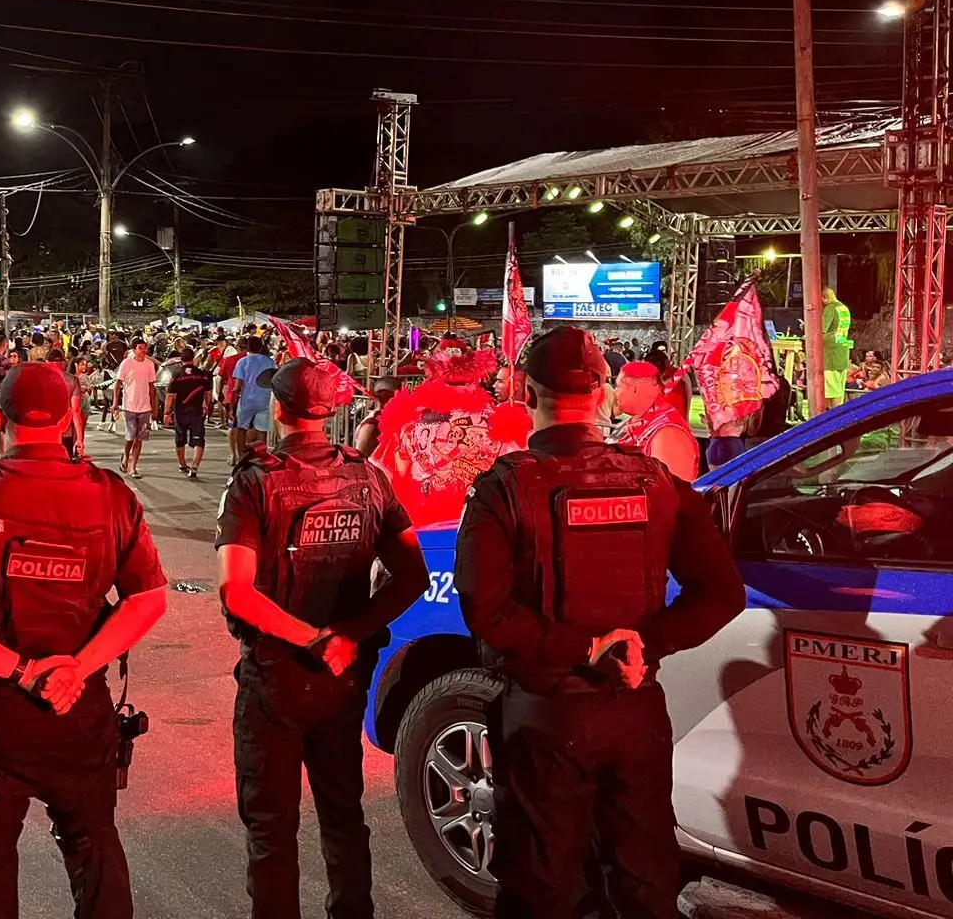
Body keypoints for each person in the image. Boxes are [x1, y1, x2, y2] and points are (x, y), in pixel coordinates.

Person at [454, 327, 744, 919]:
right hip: (635, 711)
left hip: (546, 717)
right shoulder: (655, 480)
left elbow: (487, 612)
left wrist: (588, 647)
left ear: (527, 391)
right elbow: (721, 594)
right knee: (644, 883)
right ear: (604, 391)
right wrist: (645, 643)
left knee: (542, 888)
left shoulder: (505, 488)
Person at [0, 361, 169, 918]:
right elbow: (148, 599)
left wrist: (24, 672)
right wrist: (77, 668)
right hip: (80, 709)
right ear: (69, 416)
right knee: (94, 851)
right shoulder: (111, 495)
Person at [215, 357, 428, 919]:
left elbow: (236, 592)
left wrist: (310, 638)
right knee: (342, 814)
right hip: (343, 674)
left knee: (271, 830)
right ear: (329, 411)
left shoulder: (255, 480)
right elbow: (412, 575)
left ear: (279, 410)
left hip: (277, 678)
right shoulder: (367, 476)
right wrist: (347, 636)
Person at [613, 360, 700, 481]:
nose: (615, 392)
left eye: (618, 387)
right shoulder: (637, 422)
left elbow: (671, 493)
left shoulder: (668, 433)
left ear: (634, 389)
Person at [111, 338, 158, 479]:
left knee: (140, 438)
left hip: (145, 406)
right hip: (129, 405)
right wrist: (115, 403)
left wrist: (154, 407)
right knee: (131, 436)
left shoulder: (149, 365)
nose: (143, 350)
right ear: (133, 349)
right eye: (140, 348)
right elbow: (118, 384)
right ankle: (126, 455)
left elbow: (151, 387)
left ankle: (133, 467)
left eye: (145, 348)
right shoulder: (127, 363)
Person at [162, 348, 212, 480]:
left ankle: (182, 464)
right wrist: (207, 406)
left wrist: (167, 413)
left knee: (180, 439)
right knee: (199, 440)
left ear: (181, 360)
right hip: (197, 412)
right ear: (193, 358)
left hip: (181, 412)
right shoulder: (202, 374)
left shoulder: (177, 376)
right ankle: (195, 466)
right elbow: (208, 394)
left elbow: (170, 396)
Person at [230, 336, 275, 456]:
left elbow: (236, 387)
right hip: (265, 401)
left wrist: (232, 406)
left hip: (246, 401)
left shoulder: (243, 362)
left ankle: (241, 457)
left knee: (241, 430)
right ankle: (260, 457)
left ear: (248, 347)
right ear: (261, 347)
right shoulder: (270, 362)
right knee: (262, 432)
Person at [820, 286, 853, 412]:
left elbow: (820, 330)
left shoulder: (830, 309)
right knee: (839, 390)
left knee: (830, 391)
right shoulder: (844, 308)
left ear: (824, 298)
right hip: (842, 352)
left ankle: (830, 419)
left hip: (830, 355)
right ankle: (838, 417)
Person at [353, 375, 399, 458]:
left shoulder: (406, 422)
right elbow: (360, 458)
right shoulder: (371, 425)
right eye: (381, 396)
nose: (384, 401)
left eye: (388, 397)